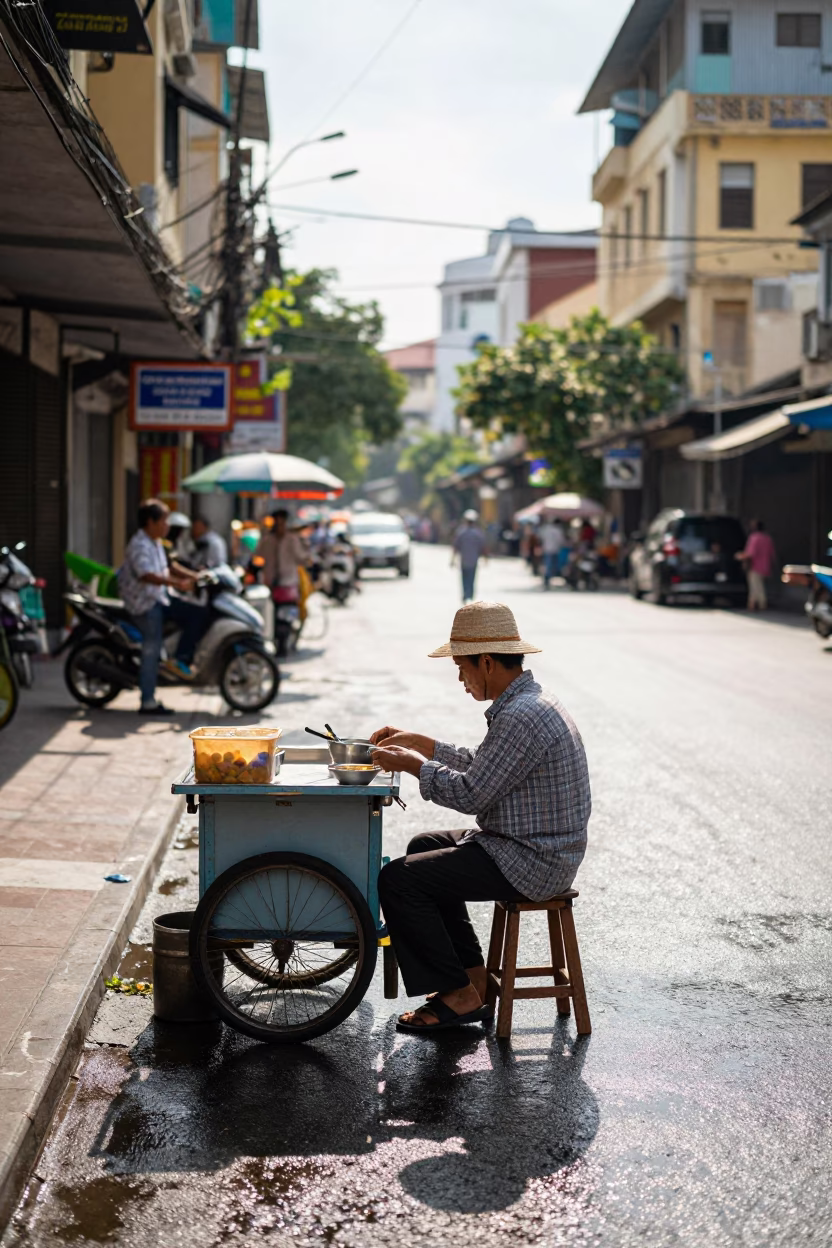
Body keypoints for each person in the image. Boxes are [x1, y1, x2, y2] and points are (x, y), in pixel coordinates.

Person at [371, 600, 591, 1034]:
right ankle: (470, 981)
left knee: (398, 880)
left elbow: (472, 792)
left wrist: (414, 764)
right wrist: (423, 744)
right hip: (528, 843)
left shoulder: (521, 716)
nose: (460, 678)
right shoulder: (528, 702)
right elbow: (485, 764)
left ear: (486, 662)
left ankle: (456, 995)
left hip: (533, 858)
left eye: (461, 667)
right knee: (424, 847)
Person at [119, 499, 207, 715]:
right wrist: (178, 584)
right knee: (152, 648)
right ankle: (147, 700)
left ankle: (180, 659)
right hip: (145, 604)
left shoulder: (155, 542)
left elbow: (169, 566)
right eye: (164, 520)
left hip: (160, 597)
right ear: (150, 522)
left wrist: (196, 576)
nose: (167, 525)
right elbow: (147, 574)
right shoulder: (140, 544)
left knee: (196, 614)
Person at [254, 509, 307, 603]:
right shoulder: (267, 540)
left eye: (282, 522)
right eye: (277, 523)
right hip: (270, 583)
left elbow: (301, 558)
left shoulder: (292, 539)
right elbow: (258, 556)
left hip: (289, 582)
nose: (279, 525)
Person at [737, 519, 777, 611]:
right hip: (766, 565)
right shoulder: (767, 538)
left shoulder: (754, 538)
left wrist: (740, 556)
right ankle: (752, 603)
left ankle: (761, 603)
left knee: (756, 586)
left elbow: (751, 553)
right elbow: (772, 554)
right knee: (757, 585)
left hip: (755, 566)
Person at [452, 510, 486, 603]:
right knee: (471, 578)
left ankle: (466, 595)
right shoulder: (478, 534)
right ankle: (469, 595)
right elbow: (483, 547)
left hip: (464, 561)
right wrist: (486, 558)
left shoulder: (461, 532)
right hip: (473, 561)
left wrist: (452, 559)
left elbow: (455, 547)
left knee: (465, 578)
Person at [538, 517, 565, 590]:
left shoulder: (546, 529)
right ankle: (547, 580)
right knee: (551, 566)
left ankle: (547, 580)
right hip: (554, 550)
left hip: (547, 549)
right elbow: (561, 540)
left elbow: (540, 537)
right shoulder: (557, 530)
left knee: (548, 565)